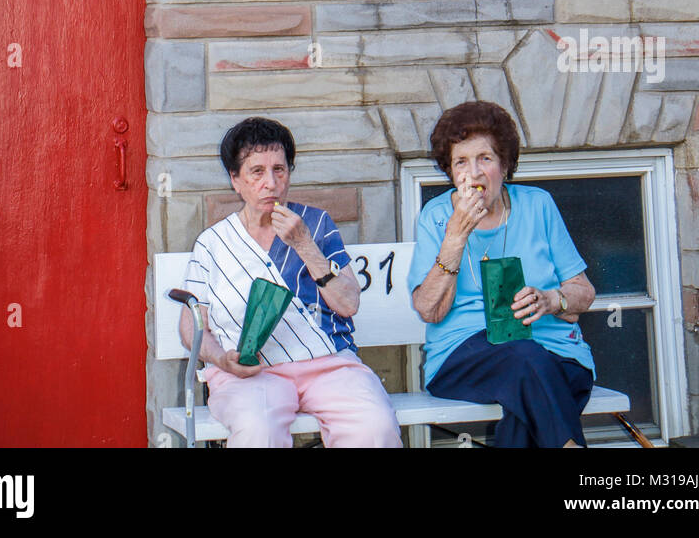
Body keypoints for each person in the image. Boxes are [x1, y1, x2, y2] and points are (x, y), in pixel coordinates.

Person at [179, 116, 402, 449]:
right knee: (259, 430)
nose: (271, 183)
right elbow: (191, 325)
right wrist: (219, 358)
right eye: (257, 172)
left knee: (374, 427)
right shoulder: (213, 243)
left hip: (329, 365)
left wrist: (305, 245)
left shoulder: (315, 224)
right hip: (250, 374)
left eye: (279, 170)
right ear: (235, 180)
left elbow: (348, 304)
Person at [408, 100, 597, 448]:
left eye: (485, 158)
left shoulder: (538, 205)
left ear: (505, 164)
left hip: (554, 350)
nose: (474, 173)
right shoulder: (435, 218)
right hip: (462, 356)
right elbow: (429, 310)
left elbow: (583, 292)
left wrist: (552, 299)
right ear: (450, 172)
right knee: (525, 360)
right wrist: (455, 236)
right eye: (461, 162)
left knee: (526, 406)